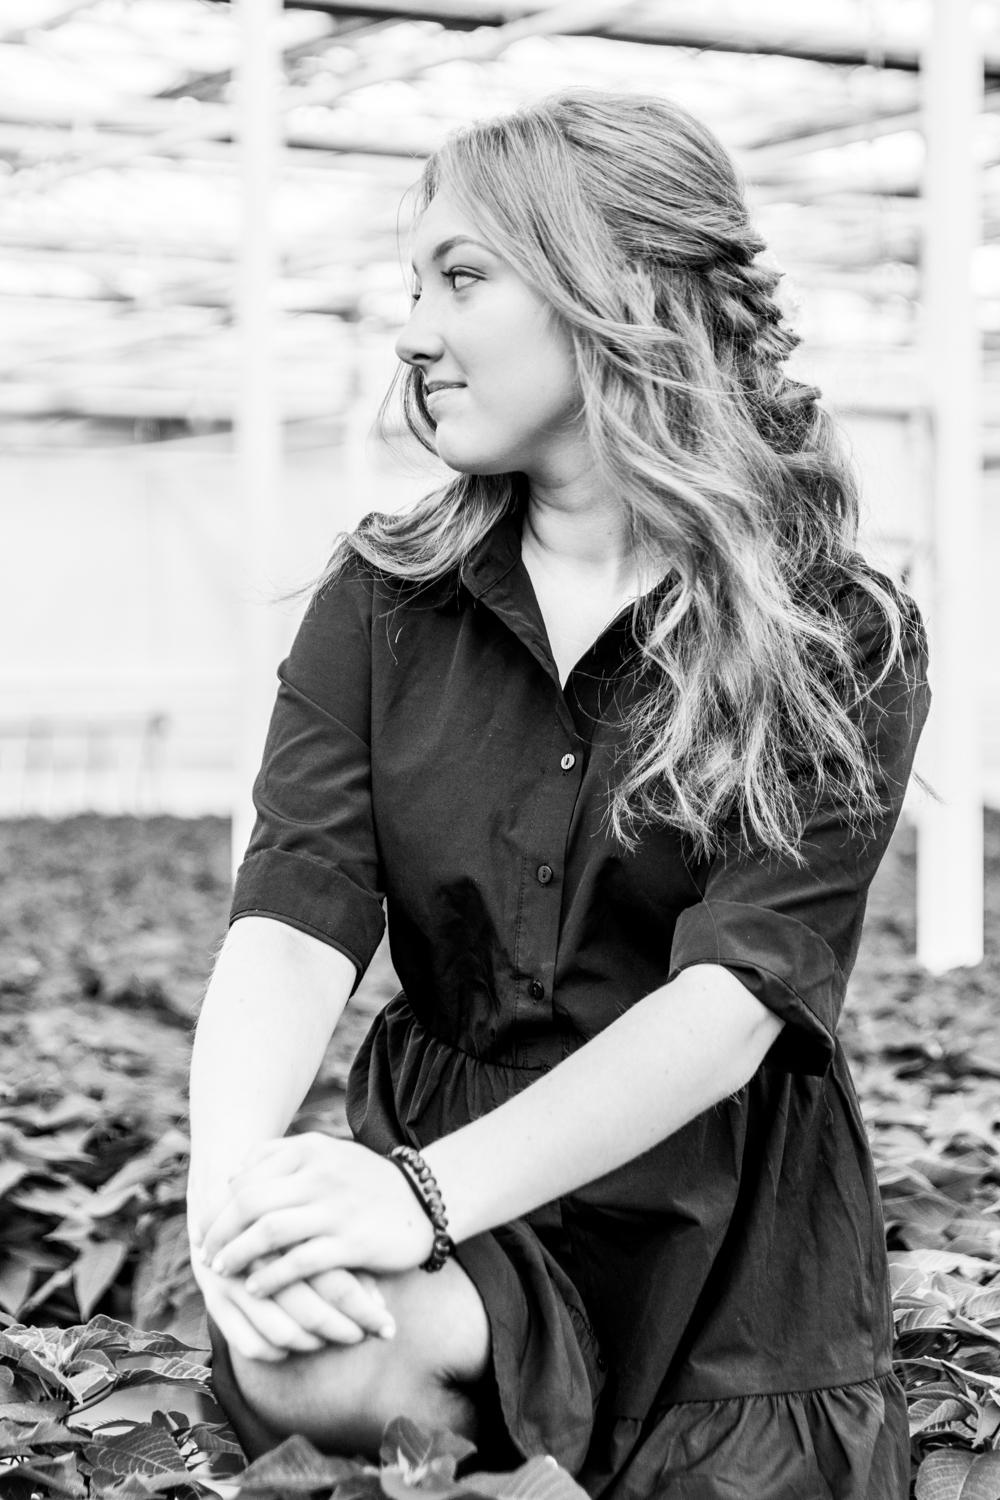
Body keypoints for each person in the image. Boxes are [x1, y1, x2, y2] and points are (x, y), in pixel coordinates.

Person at [187, 88, 930, 1498]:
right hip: (457, 1203)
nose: (413, 331)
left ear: (620, 292)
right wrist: (231, 1209)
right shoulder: (387, 598)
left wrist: (419, 1198)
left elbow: (734, 1004)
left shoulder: (836, 636)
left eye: (461, 277)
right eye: (413, 284)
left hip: (713, 1242)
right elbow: (294, 909)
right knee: (312, 1362)